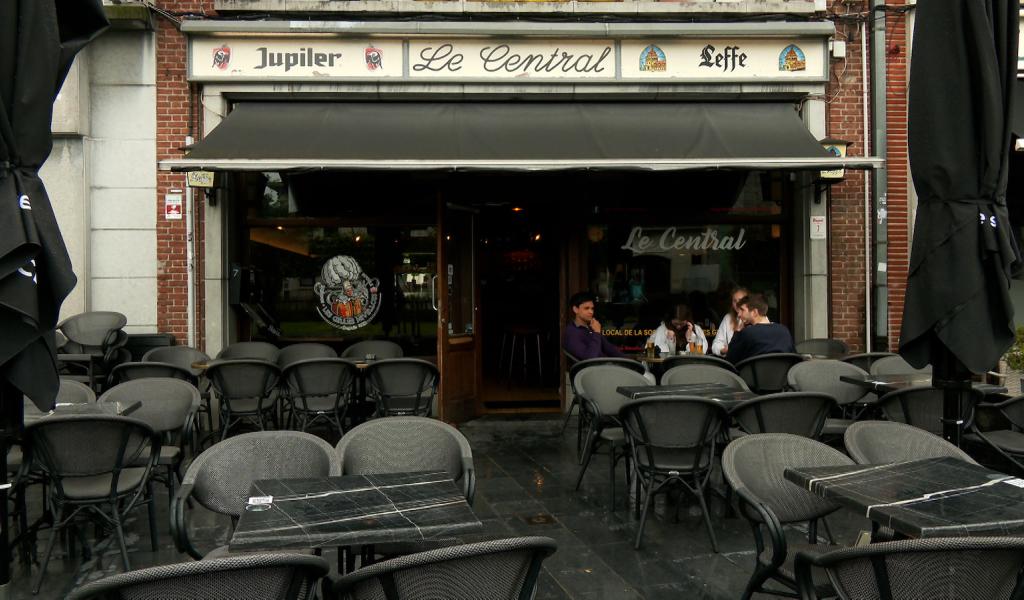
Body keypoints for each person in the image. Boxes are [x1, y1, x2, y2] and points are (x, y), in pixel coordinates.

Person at [726, 293, 796, 365]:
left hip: (753, 376)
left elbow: (730, 360)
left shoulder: (748, 333)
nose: (739, 314)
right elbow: (793, 359)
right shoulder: (784, 330)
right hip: (781, 375)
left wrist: (737, 330)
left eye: (742, 310)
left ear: (754, 312)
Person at [563, 291, 626, 359]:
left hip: (607, 364)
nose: (591, 312)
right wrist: (596, 333)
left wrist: (629, 361)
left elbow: (609, 348)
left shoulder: (590, 327)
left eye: (592, 308)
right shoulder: (572, 333)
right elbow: (590, 359)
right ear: (575, 309)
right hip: (596, 368)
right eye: (586, 308)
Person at [711, 286, 748, 357]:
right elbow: (716, 344)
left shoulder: (753, 318)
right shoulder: (728, 318)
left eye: (740, 300)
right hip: (731, 362)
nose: (737, 303)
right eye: (734, 300)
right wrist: (723, 350)